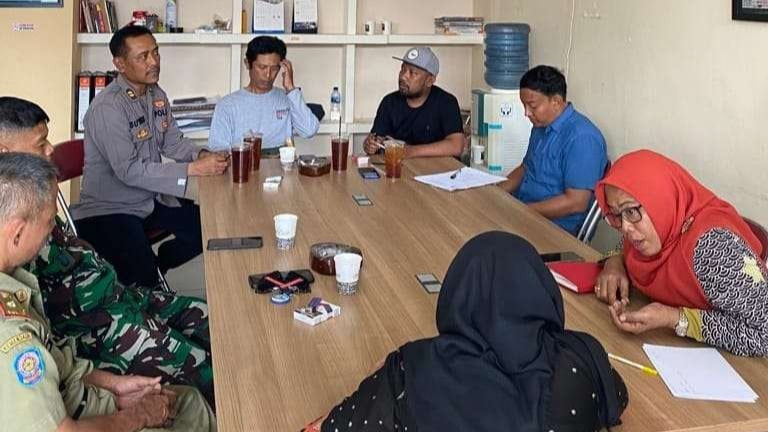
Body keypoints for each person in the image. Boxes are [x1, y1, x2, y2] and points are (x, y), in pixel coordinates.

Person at [0, 96, 215, 408]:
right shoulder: (12, 224)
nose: (51, 150)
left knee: (212, 320)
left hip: (116, 295)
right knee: (203, 368)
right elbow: (44, 331)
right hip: (93, 326)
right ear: (5, 153)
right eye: (41, 142)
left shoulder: (30, 192)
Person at [303, 231, 628, 432]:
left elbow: (331, 427)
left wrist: (380, 376)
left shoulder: (413, 369)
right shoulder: (578, 360)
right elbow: (618, 396)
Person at [72, 25, 230, 288]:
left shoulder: (156, 94)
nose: (154, 61)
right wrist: (193, 169)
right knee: (143, 284)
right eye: (142, 56)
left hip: (149, 198)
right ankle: (149, 280)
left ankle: (159, 264)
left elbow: (173, 142)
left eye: (156, 53)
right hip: (110, 209)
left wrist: (204, 154)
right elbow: (129, 171)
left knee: (209, 229)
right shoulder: (108, 108)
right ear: (120, 64)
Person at [595, 149, 768, 357]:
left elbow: (763, 336)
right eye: (615, 215)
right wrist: (614, 262)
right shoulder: (650, 228)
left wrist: (673, 318)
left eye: (630, 211)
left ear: (661, 201)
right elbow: (624, 243)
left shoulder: (711, 246)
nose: (624, 227)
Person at [498, 65, 608, 235]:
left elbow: (576, 202)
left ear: (556, 102)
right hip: (525, 212)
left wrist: (522, 211)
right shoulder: (541, 125)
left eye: (532, 106)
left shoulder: (582, 138)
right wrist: (496, 193)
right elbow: (526, 168)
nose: (526, 113)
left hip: (553, 227)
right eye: (524, 105)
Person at [208, 36, 319, 153]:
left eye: (274, 68)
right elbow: (218, 149)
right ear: (247, 64)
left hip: (281, 168)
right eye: (262, 67)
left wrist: (291, 89)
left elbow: (309, 130)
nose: (268, 75)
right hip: (242, 168)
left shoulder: (288, 99)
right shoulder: (227, 105)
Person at [362, 46, 464, 159]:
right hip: (401, 172)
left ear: (429, 80)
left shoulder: (446, 103)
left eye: (412, 73)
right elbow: (377, 139)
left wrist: (410, 151)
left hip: (438, 173)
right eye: (403, 69)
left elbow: (456, 146)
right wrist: (370, 145)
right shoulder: (389, 102)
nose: (403, 76)